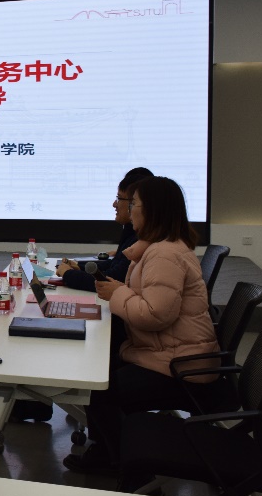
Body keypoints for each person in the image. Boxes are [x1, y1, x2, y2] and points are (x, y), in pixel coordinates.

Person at [63, 176, 227, 476]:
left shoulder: (164, 254)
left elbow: (154, 315)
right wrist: (120, 290)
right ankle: (109, 451)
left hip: (182, 367)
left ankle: (121, 462)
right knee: (99, 372)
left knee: (101, 388)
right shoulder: (157, 248)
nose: (129, 210)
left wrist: (118, 293)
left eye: (134, 204)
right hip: (171, 354)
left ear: (151, 210)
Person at [56, 167, 153, 292]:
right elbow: (115, 266)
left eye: (119, 198)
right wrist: (79, 267)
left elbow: (111, 279)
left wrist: (68, 274)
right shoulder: (132, 231)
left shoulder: (143, 239)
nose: (114, 204)